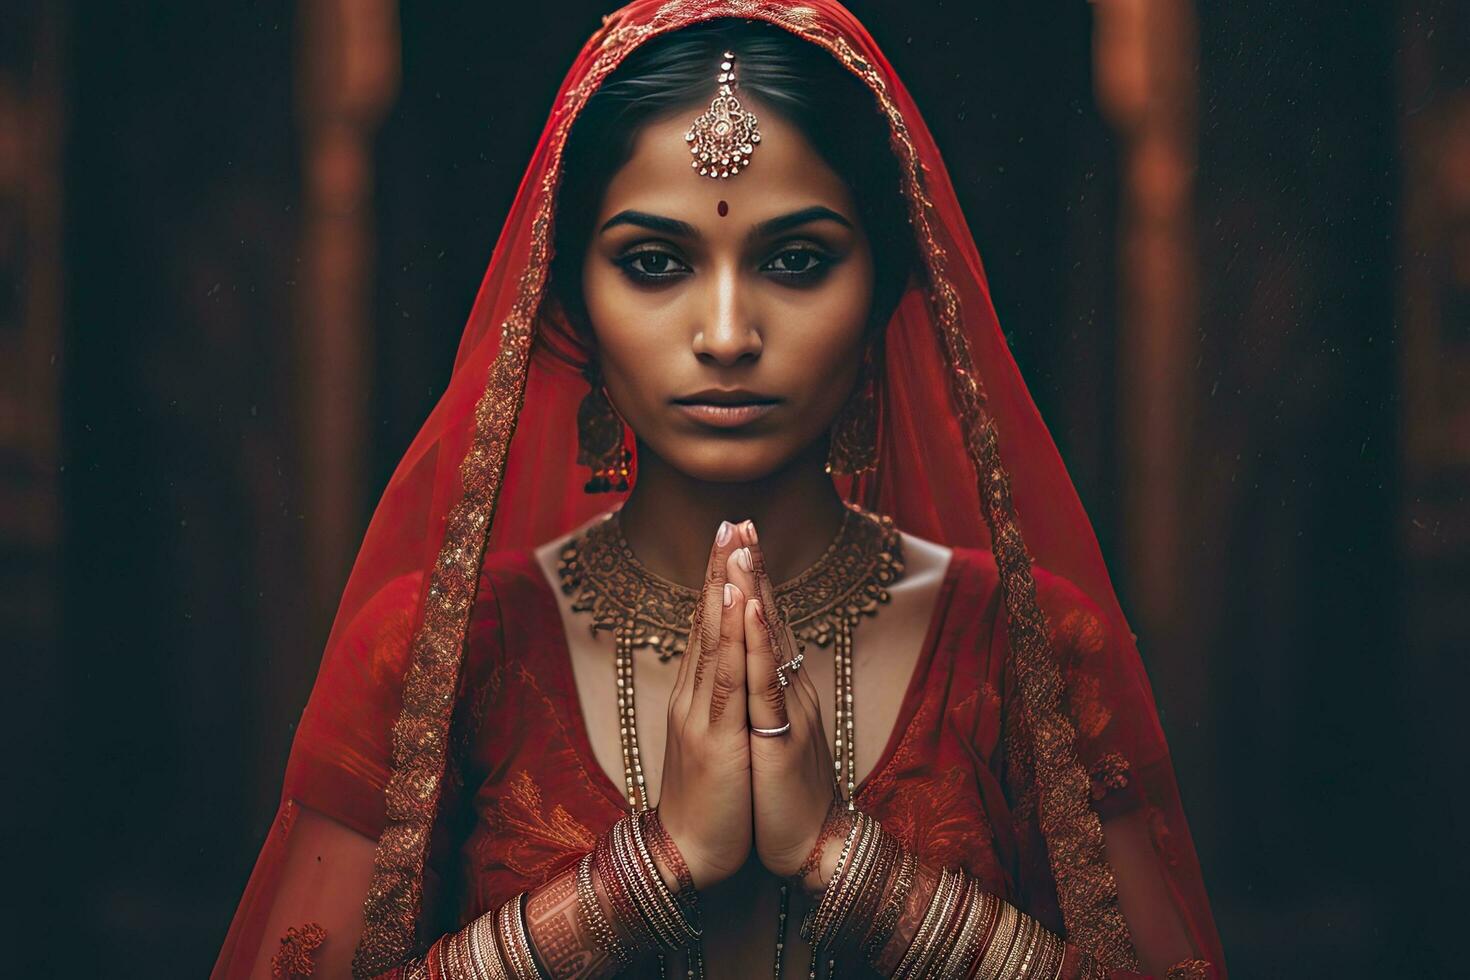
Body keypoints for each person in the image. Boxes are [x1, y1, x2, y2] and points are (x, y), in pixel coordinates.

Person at [213, 2, 1225, 978]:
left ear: (885, 291)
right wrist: (649, 871)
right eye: (655, 262)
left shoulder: (1024, 644)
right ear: (568, 300)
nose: (730, 333)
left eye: (796, 259)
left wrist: (848, 861)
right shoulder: (438, 653)